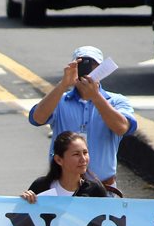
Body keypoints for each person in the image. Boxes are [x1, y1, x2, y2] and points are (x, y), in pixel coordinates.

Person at [28, 46, 135, 192]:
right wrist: (63, 84)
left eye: (92, 65)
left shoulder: (116, 101)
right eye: (81, 65)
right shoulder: (60, 100)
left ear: (101, 69)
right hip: (64, 189)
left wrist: (95, 96)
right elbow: (37, 118)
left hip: (103, 189)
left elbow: (122, 128)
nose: (87, 71)